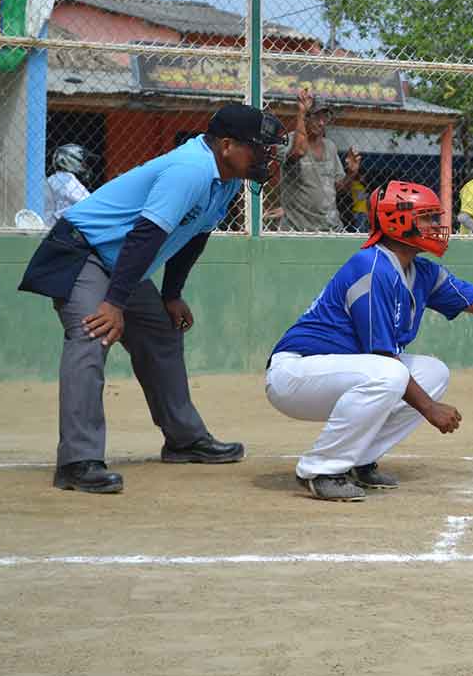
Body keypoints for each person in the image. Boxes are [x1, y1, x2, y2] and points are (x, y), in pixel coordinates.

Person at [18, 104, 284, 494]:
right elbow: (146, 235)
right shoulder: (190, 170)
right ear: (227, 145)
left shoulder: (226, 179)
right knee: (94, 334)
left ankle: (184, 440)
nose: (266, 156)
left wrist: (171, 294)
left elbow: (195, 236)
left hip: (120, 261)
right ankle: (78, 461)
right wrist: (113, 302)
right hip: (83, 252)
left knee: (161, 332)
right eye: (260, 148)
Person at [265, 181, 473, 501]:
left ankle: (359, 460)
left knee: (433, 372)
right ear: (396, 221)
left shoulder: (422, 272)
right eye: (427, 217)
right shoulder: (372, 267)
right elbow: (384, 356)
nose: (436, 225)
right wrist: (429, 409)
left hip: (344, 374)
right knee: (392, 374)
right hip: (296, 374)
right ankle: (321, 469)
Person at [280, 89, 362, 232]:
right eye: (316, 117)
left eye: (325, 117)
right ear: (305, 117)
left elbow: (338, 187)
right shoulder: (288, 141)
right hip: (299, 230)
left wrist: (351, 173)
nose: (321, 123)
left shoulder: (330, 146)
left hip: (331, 228)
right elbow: (299, 151)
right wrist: (300, 113)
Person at [44, 144, 95, 226]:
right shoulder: (65, 179)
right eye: (82, 161)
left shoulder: (58, 178)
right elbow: (86, 204)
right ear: (71, 160)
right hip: (56, 227)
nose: (85, 165)